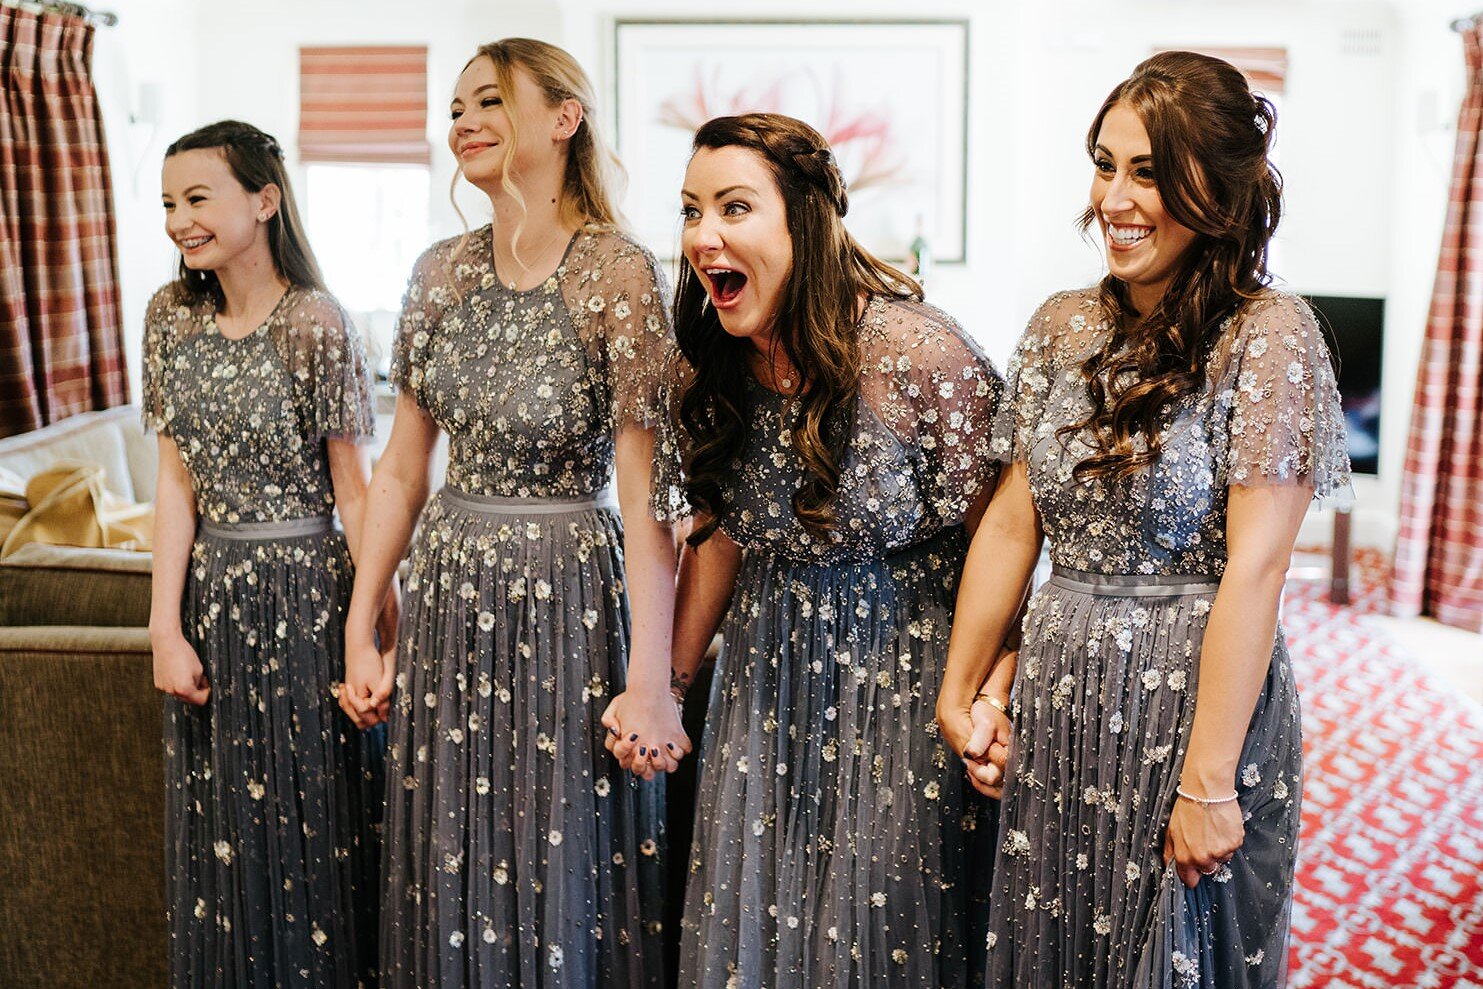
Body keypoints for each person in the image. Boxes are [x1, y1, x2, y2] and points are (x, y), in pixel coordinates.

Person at [938, 51, 1352, 988]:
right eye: (1105, 162)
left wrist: (1207, 782)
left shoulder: (1268, 334)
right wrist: (965, 690)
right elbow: (1013, 519)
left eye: (1150, 172)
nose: (1114, 198)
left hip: (1192, 701)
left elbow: (1255, 571)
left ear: (1218, 187)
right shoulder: (1058, 324)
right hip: (1061, 694)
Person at [338, 39, 674, 988]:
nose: (463, 123)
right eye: (454, 109)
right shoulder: (438, 271)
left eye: (488, 100)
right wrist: (364, 622)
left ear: (564, 117)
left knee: (557, 842)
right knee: (450, 844)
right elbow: (402, 470)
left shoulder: (618, 271)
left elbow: (647, 492)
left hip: (567, 596)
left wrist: (650, 679)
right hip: (446, 597)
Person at [638, 112, 1002, 988]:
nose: (703, 236)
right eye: (691, 211)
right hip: (763, 682)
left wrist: (991, 688)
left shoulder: (916, 352)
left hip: (904, 680)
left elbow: (1004, 533)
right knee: (756, 925)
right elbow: (726, 533)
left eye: (733, 207)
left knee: (875, 939)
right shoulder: (713, 361)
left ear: (806, 219)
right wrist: (672, 687)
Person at [144, 119, 386, 988]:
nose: (178, 219)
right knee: (221, 835)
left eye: (197, 198)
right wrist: (162, 627)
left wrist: (373, 625)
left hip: (306, 598)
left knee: (313, 821)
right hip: (212, 602)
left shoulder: (316, 321)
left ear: (265, 200)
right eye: (169, 202)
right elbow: (174, 485)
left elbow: (355, 493)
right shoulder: (170, 317)